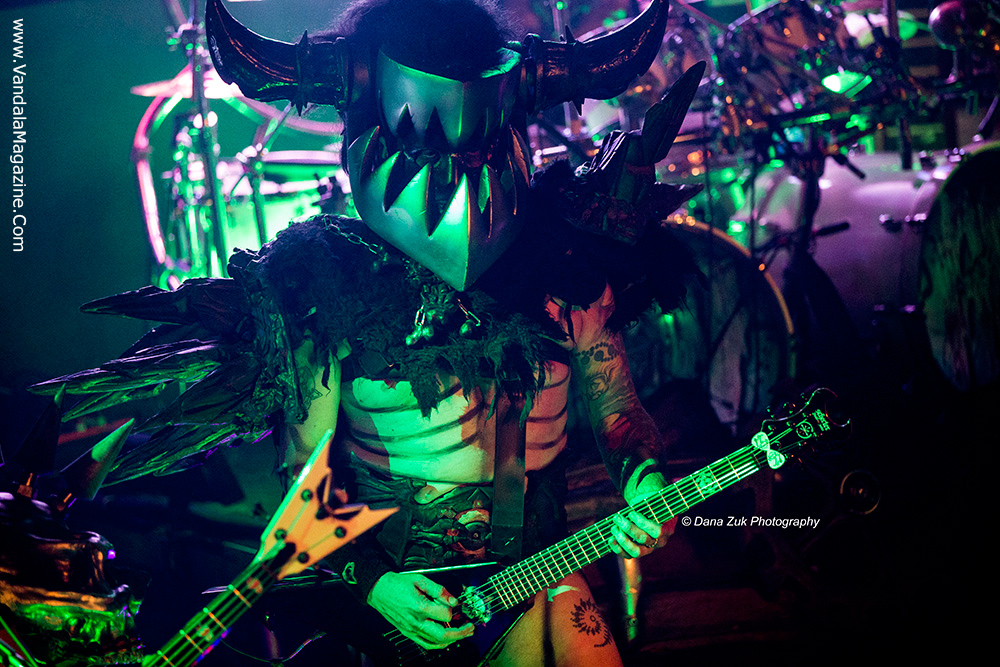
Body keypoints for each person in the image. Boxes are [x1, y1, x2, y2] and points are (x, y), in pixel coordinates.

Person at [33, 0, 704, 663]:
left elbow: (619, 411)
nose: (451, 179)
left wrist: (645, 480)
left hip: (537, 573)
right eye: (423, 145)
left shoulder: (569, 272)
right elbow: (306, 480)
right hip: (397, 608)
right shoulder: (329, 291)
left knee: (572, 633)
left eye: (472, 147)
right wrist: (375, 583)